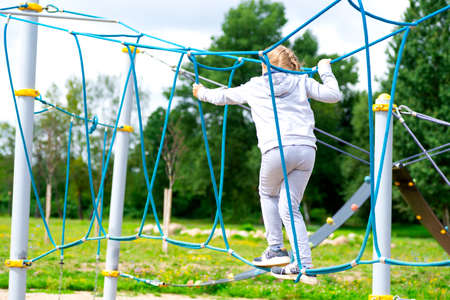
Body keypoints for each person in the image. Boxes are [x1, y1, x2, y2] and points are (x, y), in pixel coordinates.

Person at [192, 45, 342, 284]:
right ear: (292, 65)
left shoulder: (255, 85)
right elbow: (334, 95)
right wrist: (325, 70)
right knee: (290, 207)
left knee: (268, 194)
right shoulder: (302, 81)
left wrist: (201, 92)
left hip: (276, 150)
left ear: (264, 67)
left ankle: (275, 249)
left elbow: (222, 97)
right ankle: (304, 265)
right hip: (306, 150)